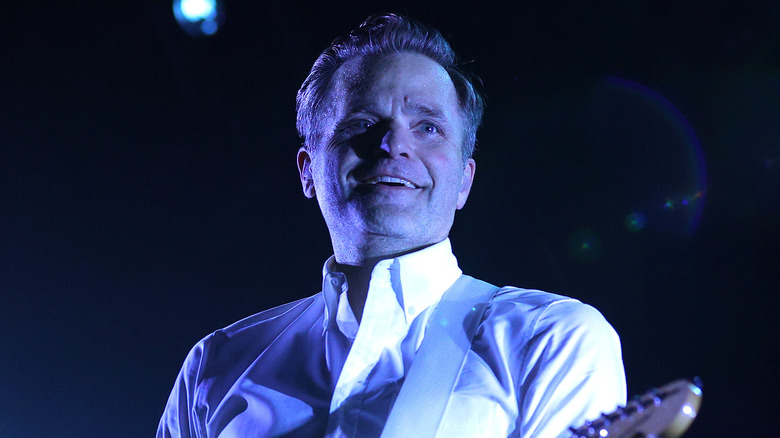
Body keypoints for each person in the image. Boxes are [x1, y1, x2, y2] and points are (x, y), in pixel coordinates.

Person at [157, 13, 626, 438]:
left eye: (428, 127)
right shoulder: (216, 366)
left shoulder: (551, 339)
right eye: (362, 122)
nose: (393, 144)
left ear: (464, 182)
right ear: (307, 170)